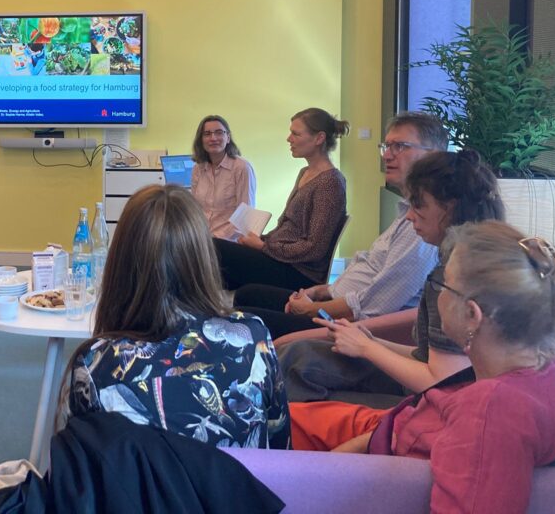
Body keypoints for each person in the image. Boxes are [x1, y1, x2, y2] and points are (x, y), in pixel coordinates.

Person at [291, 222, 555, 514]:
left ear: (472, 314)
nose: (437, 295)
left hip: (379, 458)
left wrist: (322, 472)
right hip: (389, 427)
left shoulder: (491, 413)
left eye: (442, 284)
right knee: (286, 410)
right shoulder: (546, 363)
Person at [63, 184, 290, 450]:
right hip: (240, 490)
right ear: (203, 256)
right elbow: (280, 447)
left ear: (121, 262)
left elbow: (88, 473)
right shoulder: (253, 335)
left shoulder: (95, 362)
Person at [280, 149, 504, 407]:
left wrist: (368, 349)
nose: (410, 216)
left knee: (297, 370)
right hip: (427, 387)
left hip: (435, 404)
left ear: (450, 208)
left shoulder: (450, 280)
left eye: (418, 207)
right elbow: (427, 359)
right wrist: (371, 341)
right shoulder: (474, 261)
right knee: (300, 356)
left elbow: (442, 382)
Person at [235, 112, 447, 338]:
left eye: (400, 146)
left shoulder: (423, 227)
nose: (387, 155)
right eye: (386, 146)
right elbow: (369, 272)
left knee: (241, 319)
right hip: (332, 300)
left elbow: (373, 305)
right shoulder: (408, 212)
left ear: (434, 156)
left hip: (348, 325)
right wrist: (324, 291)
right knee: (248, 295)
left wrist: (311, 309)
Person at [216, 108, 349, 292]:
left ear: (319, 138)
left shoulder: (330, 183)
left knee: (212, 250)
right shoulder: (306, 173)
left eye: (295, 133)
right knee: (210, 263)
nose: (289, 138)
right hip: (279, 259)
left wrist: (264, 247)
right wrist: (260, 242)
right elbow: (287, 228)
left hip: (298, 272)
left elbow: (314, 248)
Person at [189, 114, 256, 241]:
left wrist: (216, 238)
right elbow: (195, 209)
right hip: (202, 239)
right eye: (207, 134)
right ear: (201, 140)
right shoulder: (198, 168)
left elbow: (246, 216)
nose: (213, 138)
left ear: (228, 137)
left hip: (229, 241)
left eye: (219, 132)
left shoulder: (242, 167)